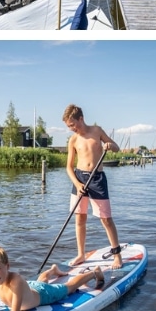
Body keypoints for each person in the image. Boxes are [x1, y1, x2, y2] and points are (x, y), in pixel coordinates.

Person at [0, 246, 103, 311]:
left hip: (43, 294)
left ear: (7, 266)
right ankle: (53, 270)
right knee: (39, 282)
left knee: (69, 288)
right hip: (31, 288)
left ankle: (93, 273)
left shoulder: (16, 281)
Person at [64, 104, 123, 269]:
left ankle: (117, 255)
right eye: (69, 126)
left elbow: (117, 148)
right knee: (80, 217)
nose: (71, 129)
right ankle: (81, 255)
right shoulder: (73, 140)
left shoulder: (97, 131)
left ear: (81, 119)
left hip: (97, 179)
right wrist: (77, 183)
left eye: (72, 125)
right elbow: (68, 167)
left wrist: (110, 146)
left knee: (106, 219)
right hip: (79, 179)